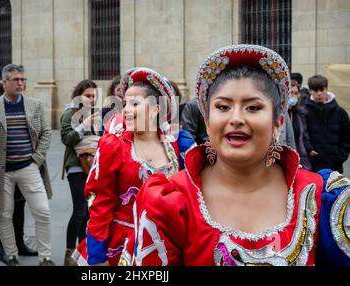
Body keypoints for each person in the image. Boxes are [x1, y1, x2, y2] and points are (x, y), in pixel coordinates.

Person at [134, 44, 350, 266]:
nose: (236, 118)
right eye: (223, 107)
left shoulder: (318, 197)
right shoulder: (171, 200)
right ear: (207, 122)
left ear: (278, 124)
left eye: (253, 108)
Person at [72, 67, 180, 266]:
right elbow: (99, 203)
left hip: (163, 245)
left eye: (135, 103)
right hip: (121, 247)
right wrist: (97, 258)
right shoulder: (113, 146)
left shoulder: (171, 145)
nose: (127, 110)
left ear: (157, 108)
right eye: (125, 104)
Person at [0, 64, 54, 266]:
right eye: (16, 80)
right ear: (5, 83)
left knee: (43, 211)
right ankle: (11, 255)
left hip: (28, 166)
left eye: (23, 79)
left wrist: (36, 158)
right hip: (1, 170)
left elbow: (46, 132)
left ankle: (45, 257)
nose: (21, 83)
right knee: (5, 214)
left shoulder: (34, 104)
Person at [60, 79, 99, 266]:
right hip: (76, 166)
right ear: (79, 96)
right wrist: (83, 126)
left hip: (93, 167)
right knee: (79, 210)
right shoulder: (70, 113)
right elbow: (67, 139)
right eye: (87, 96)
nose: (91, 99)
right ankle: (69, 254)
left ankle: (80, 252)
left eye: (93, 96)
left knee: (88, 213)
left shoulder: (97, 115)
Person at [305, 74, 350, 173]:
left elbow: (347, 136)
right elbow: (302, 134)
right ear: (310, 91)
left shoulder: (340, 112)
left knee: (334, 189)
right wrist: (309, 149)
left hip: (335, 165)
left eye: (322, 90)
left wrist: (340, 156)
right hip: (313, 164)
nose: (319, 93)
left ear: (326, 89)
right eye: (315, 91)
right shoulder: (304, 112)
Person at [288, 80, 312, 170]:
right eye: (291, 93)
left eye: (296, 93)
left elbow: (304, 135)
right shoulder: (279, 114)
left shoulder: (300, 114)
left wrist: (309, 149)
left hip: (300, 158)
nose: (293, 96)